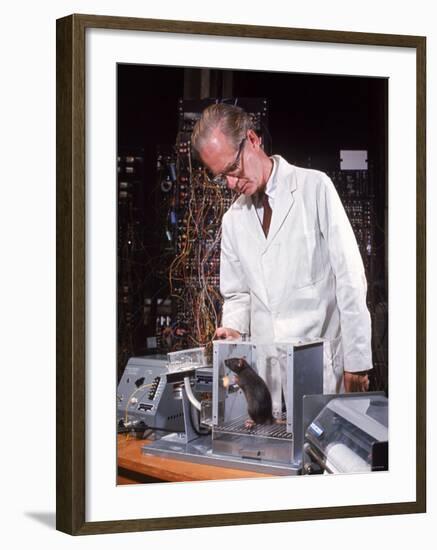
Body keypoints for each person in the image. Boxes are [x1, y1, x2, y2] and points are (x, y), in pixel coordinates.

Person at [191, 103, 372, 414]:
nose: (232, 184)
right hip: (266, 377)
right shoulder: (233, 220)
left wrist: (357, 360)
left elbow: (349, 277)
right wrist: (233, 328)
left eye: (233, 169)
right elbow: (237, 294)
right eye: (222, 177)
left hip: (323, 368)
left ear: (252, 139)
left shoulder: (314, 187)